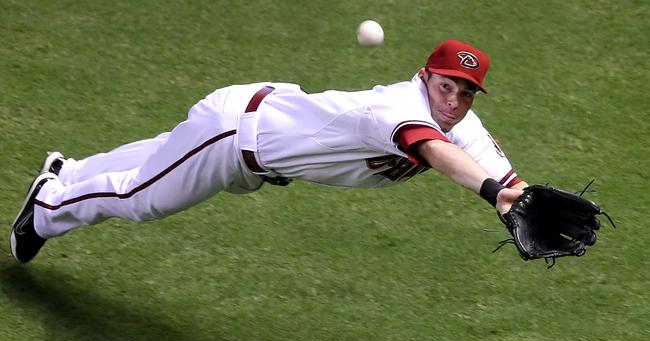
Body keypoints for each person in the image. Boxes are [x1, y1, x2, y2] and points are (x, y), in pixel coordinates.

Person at [10, 38, 528, 264]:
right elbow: (433, 152)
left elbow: (504, 177)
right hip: (235, 135)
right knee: (145, 198)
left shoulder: (460, 121)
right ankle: (48, 205)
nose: (455, 101)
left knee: (158, 158)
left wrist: (519, 197)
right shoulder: (396, 109)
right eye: (446, 86)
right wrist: (490, 194)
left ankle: (70, 171)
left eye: (466, 92)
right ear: (424, 76)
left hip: (257, 132)